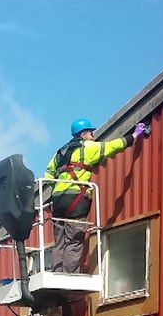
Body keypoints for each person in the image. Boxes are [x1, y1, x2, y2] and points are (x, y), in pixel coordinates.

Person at [42, 117, 150, 273]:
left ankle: (57, 274)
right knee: (74, 240)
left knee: (59, 242)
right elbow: (112, 147)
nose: (93, 135)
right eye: (91, 133)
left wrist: (60, 187)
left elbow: (49, 176)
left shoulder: (59, 153)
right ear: (84, 133)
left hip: (58, 199)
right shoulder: (88, 147)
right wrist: (134, 135)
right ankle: (69, 276)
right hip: (76, 198)